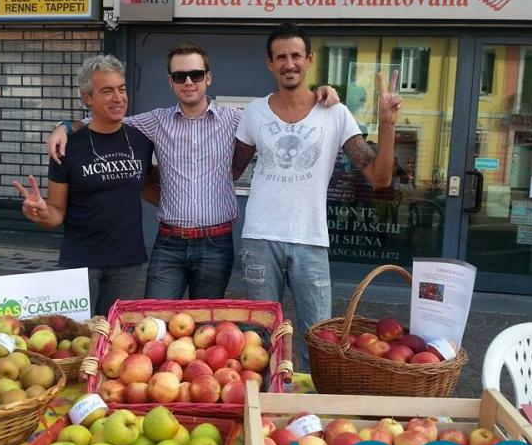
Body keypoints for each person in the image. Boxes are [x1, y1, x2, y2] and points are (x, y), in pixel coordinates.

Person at [45, 43, 339, 300]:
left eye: (196, 75)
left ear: (208, 78)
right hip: (169, 243)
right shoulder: (155, 121)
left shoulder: (236, 119)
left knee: (205, 329)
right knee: (156, 324)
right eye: (179, 76)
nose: (188, 82)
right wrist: (66, 126)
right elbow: (107, 120)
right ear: (170, 82)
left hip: (216, 244)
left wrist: (317, 93)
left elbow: (282, 114)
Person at [231, 22, 401, 371]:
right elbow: (230, 170)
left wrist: (387, 125)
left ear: (309, 59)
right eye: (281, 57)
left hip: (311, 240)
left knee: (320, 343)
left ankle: (312, 406)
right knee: (260, 341)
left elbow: (379, 177)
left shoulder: (335, 113)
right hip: (260, 239)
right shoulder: (253, 112)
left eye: (296, 55)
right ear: (270, 63)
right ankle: (265, 401)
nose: (289, 63)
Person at [13, 55, 155, 315]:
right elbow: (56, 212)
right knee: (78, 333)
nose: (118, 97)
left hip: (128, 262)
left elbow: (145, 187)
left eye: (121, 89)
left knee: (113, 333)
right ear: (88, 98)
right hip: (81, 263)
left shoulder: (140, 141)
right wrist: (42, 214)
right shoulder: (67, 147)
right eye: (107, 91)